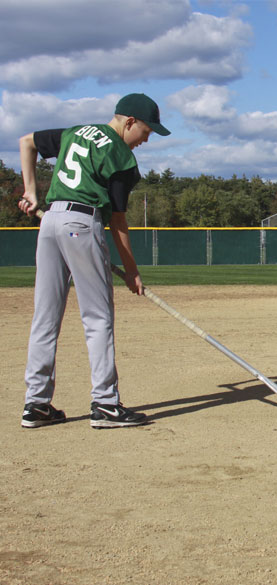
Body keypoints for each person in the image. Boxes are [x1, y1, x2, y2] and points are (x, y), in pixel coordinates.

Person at [17, 93, 170, 428]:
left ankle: (37, 403)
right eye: (146, 131)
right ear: (129, 121)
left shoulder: (76, 132)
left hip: (51, 222)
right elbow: (117, 221)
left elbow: (26, 141)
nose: (146, 140)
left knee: (45, 317)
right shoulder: (121, 156)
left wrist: (31, 192)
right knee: (98, 318)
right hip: (82, 224)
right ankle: (105, 404)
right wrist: (132, 271)